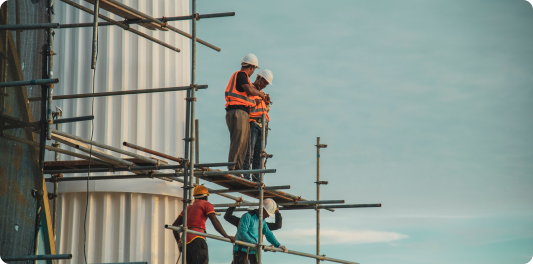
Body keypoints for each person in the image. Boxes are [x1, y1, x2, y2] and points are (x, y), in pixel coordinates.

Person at [225, 54, 267, 176]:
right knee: (238, 141)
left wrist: (255, 101)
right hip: (236, 112)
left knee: (243, 143)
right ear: (252, 67)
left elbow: (245, 97)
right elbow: (249, 90)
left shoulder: (243, 78)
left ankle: (238, 170)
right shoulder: (241, 75)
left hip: (241, 112)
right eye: (254, 69)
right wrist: (260, 94)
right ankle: (232, 168)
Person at [172, 185, 236, 264]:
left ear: (195, 197)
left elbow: (174, 225)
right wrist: (226, 236)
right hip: (197, 238)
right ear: (206, 197)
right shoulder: (206, 204)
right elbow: (214, 221)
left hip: (186, 242)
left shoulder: (188, 208)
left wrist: (179, 242)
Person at [233, 199, 288, 264]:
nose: (268, 216)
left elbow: (268, 233)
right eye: (268, 213)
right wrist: (253, 243)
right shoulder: (248, 216)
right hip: (242, 251)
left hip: (253, 251)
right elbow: (242, 232)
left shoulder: (262, 221)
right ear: (263, 209)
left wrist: (278, 245)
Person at [242, 69, 273, 181]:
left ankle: (256, 178)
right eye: (264, 82)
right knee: (249, 151)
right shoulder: (250, 89)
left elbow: (264, 111)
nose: (265, 85)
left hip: (263, 127)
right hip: (253, 124)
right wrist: (257, 102)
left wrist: (267, 104)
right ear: (259, 78)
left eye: (266, 83)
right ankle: (246, 175)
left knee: (259, 155)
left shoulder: (262, 94)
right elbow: (246, 106)